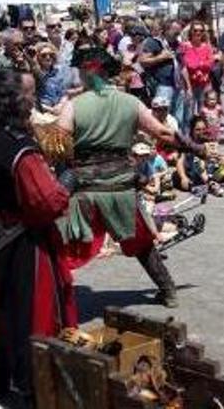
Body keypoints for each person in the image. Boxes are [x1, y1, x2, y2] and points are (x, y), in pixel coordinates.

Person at [0, 70, 75, 399]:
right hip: (27, 242)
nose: (30, 102)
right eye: (26, 96)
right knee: (31, 313)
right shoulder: (18, 146)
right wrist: (66, 184)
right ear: (13, 102)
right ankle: (36, 385)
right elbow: (46, 202)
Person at [56, 47, 197, 308]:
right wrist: (196, 148)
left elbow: (58, 143)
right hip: (120, 187)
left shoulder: (74, 106)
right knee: (142, 244)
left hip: (86, 189)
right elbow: (165, 135)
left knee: (66, 245)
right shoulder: (131, 103)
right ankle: (168, 291)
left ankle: (52, 298)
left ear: (89, 72)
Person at [178, 20, 216, 113]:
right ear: (191, 32)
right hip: (189, 84)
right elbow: (186, 65)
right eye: (195, 30)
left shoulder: (207, 47)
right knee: (188, 113)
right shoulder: (185, 46)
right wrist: (202, 63)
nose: (198, 32)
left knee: (203, 112)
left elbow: (211, 64)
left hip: (204, 84)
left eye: (200, 30)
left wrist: (197, 64)